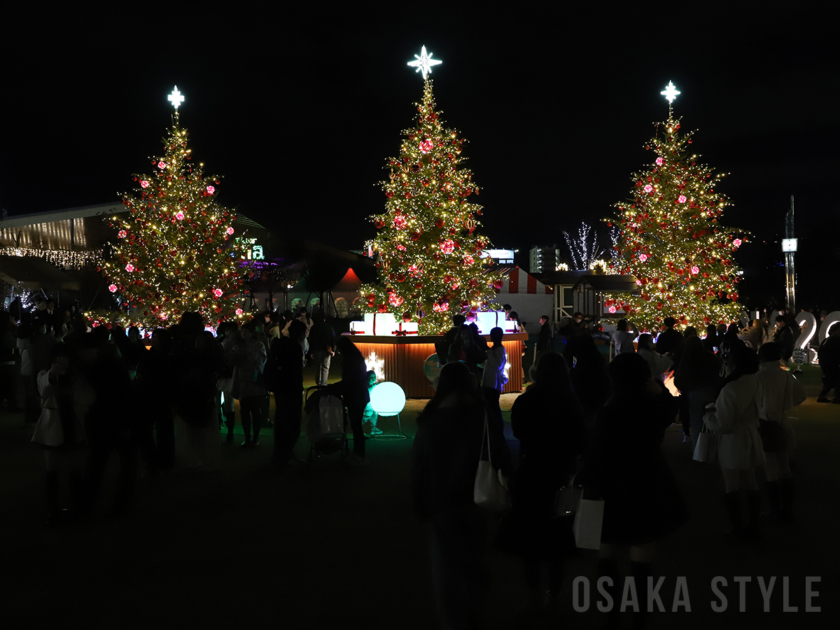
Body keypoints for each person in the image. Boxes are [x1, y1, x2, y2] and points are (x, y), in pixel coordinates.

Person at [576, 353, 686, 630]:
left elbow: (597, 453)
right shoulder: (651, 408)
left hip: (611, 487)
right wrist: (659, 391)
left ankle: (610, 615)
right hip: (648, 482)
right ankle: (640, 618)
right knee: (642, 556)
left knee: (607, 553)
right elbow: (668, 411)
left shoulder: (609, 412)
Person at [411, 362, 505, 630]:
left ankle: (453, 622)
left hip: (442, 502)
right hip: (478, 498)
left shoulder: (431, 419)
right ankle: (474, 611)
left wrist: (419, 501)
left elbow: (420, 465)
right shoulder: (482, 414)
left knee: (445, 568)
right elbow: (498, 454)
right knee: (475, 560)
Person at [503, 352, 585, 617]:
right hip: (561, 474)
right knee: (558, 536)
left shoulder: (527, 400)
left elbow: (517, 431)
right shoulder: (570, 401)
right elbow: (580, 440)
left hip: (531, 472)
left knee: (530, 536)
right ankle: (554, 594)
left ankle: (534, 595)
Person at [703, 342, 765, 541]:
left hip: (733, 439)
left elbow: (723, 423)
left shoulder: (731, 388)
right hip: (751, 434)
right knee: (751, 481)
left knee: (732, 485)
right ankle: (753, 525)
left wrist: (708, 416)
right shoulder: (756, 382)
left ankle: (737, 527)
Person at [31, 343, 93, 524]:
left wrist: (74, 397)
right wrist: (53, 373)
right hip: (52, 429)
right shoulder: (45, 375)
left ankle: (76, 509)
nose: (62, 362)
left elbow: (90, 396)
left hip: (73, 427)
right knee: (52, 472)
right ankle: (54, 510)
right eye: (58, 359)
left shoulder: (77, 377)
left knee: (75, 472)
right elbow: (43, 389)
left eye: (65, 359)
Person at [755, 343, 806, 523]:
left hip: (764, 424)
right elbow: (800, 396)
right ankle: (787, 510)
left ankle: (774, 510)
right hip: (783, 422)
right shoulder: (787, 376)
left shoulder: (758, 377)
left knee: (770, 469)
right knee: (784, 466)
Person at [134, 328, 175, 475]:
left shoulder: (164, 356)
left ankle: (158, 461)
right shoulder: (156, 355)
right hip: (153, 397)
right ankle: (159, 461)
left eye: (156, 337)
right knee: (155, 431)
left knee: (159, 431)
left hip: (156, 396)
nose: (153, 340)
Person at [268, 319, 307, 465]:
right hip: (291, 389)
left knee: (281, 419)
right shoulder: (295, 348)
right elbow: (295, 372)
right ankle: (287, 454)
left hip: (280, 388)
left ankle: (279, 453)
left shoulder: (280, 344)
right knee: (292, 421)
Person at [674, 336, 721, 451]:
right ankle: (714, 450)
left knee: (696, 425)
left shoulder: (686, 359)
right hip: (711, 391)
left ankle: (699, 451)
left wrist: (684, 389)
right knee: (713, 422)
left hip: (693, 393)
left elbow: (678, 379)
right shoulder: (710, 356)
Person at [330, 337, 371, 466]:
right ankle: (358, 453)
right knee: (356, 425)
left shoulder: (351, 361)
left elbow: (349, 381)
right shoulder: (356, 358)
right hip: (359, 395)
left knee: (356, 426)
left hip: (356, 396)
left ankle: (359, 454)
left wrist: (334, 387)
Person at [233, 322, 268, 447]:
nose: (243, 333)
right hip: (243, 381)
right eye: (242, 331)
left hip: (254, 382)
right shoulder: (238, 346)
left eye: (246, 331)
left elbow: (262, 362)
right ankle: (248, 437)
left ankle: (255, 437)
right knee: (244, 411)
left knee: (255, 411)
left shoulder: (259, 345)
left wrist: (251, 357)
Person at [481, 327, 507, 436]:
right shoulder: (495, 349)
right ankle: (494, 426)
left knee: (493, 406)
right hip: (490, 382)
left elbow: (497, 365)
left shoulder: (499, 349)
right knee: (491, 405)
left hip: (493, 383)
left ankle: (497, 427)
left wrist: (489, 354)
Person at [309, 312, 336, 387]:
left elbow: (311, 340)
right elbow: (333, 339)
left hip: (316, 349)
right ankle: (323, 384)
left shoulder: (314, 328)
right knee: (325, 368)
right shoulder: (329, 327)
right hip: (327, 350)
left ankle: (318, 382)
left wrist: (311, 351)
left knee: (318, 367)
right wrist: (333, 349)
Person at [0, 312, 19, 412]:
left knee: (4, 385)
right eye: (11, 318)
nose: (13, 319)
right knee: (11, 385)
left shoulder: (3, 331)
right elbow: (15, 344)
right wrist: (15, 327)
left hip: (4, 362)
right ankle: (12, 406)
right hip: (7, 362)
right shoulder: (5, 332)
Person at [816, 325, 840, 403]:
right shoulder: (835, 340)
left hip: (825, 363)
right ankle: (837, 397)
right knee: (835, 380)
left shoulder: (826, 340)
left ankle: (824, 396)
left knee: (832, 380)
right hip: (832, 363)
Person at [362, 370, 382, 437]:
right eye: (371, 377)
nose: (373, 378)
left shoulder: (374, 385)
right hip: (367, 406)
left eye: (374, 377)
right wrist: (374, 386)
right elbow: (368, 391)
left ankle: (373, 428)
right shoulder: (365, 385)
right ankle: (358, 429)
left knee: (374, 416)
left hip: (373, 405)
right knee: (365, 417)